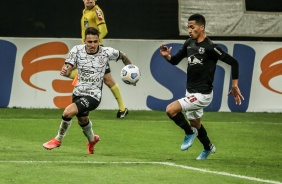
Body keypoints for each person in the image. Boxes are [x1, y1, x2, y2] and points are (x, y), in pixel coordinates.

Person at [159, 14, 244, 160]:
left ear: (201, 27)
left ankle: (189, 133)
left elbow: (234, 62)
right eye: (188, 27)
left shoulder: (210, 47)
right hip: (190, 92)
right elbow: (175, 61)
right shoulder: (188, 44)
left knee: (171, 110)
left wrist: (235, 85)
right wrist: (167, 56)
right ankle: (208, 147)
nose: (189, 30)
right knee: (195, 123)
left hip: (203, 94)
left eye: (192, 27)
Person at [43, 27, 134, 154]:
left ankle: (58, 139)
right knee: (83, 120)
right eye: (90, 42)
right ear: (84, 41)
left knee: (68, 112)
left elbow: (123, 55)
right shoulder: (77, 50)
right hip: (78, 92)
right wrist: (66, 70)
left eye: (95, 41)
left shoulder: (106, 52)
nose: (93, 45)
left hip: (93, 95)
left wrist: (131, 70)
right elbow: (68, 66)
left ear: (99, 41)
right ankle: (92, 140)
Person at [69, 0, 128, 118]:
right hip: (86, 52)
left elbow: (104, 30)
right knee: (70, 70)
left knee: (107, 79)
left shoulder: (96, 11)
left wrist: (93, 44)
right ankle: (122, 108)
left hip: (96, 52)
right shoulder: (85, 11)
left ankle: (122, 108)